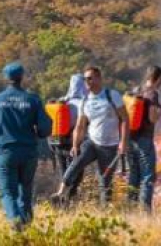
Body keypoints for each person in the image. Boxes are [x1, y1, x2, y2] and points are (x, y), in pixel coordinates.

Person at [0, 62, 51, 231]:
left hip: (6, 151)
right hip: (28, 152)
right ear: (22, 77)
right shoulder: (33, 100)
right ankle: (27, 230)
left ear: (6, 78)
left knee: (7, 192)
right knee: (25, 192)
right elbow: (45, 129)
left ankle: (16, 222)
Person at [52, 66, 130, 205]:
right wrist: (75, 145)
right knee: (75, 164)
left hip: (110, 146)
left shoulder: (112, 95)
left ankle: (105, 209)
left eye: (90, 78)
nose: (87, 81)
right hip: (92, 142)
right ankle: (60, 194)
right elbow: (80, 126)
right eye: (85, 79)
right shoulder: (85, 100)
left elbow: (124, 119)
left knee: (105, 180)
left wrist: (123, 143)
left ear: (99, 78)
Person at [127, 65, 161, 211]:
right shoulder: (153, 94)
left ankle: (130, 207)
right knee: (148, 176)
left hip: (131, 138)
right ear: (158, 78)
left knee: (134, 174)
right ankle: (146, 211)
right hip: (145, 140)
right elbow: (152, 118)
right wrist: (158, 113)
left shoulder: (137, 90)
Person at [49, 74, 88, 200]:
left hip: (57, 142)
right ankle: (69, 198)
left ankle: (61, 198)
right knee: (76, 172)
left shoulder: (61, 101)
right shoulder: (84, 103)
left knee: (64, 171)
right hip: (73, 144)